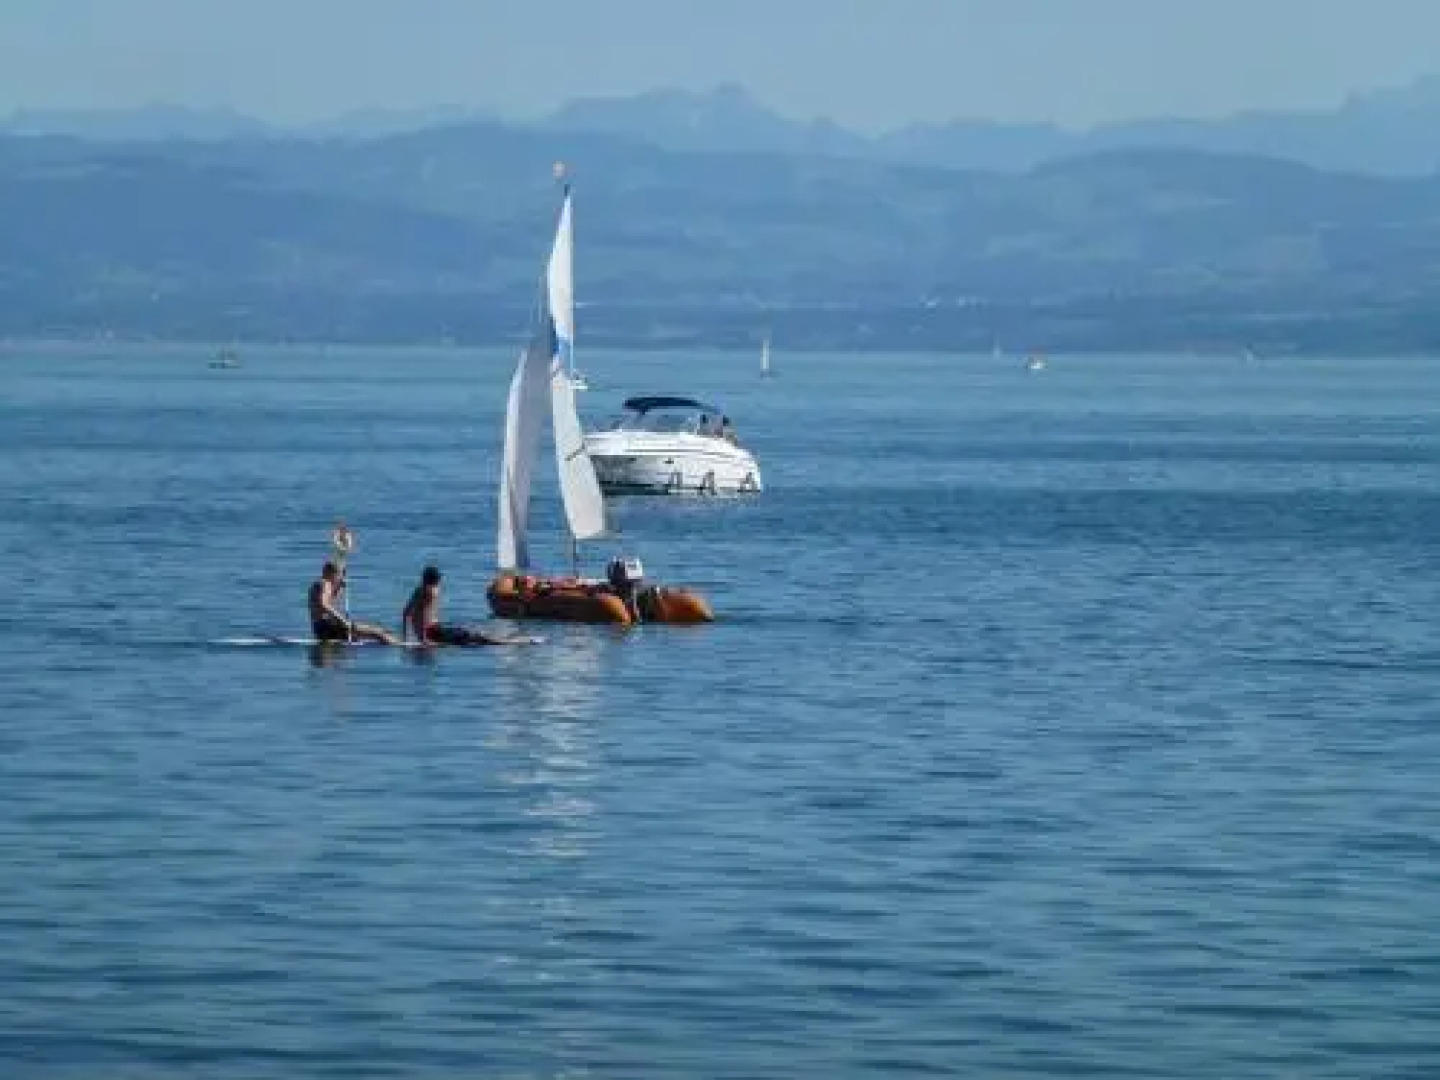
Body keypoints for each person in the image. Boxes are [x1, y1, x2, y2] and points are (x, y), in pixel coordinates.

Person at [402, 565, 521, 646]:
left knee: (468, 632)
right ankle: (506, 643)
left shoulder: (418, 590)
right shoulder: (430, 591)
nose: (440, 583)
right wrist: (424, 640)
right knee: (473, 636)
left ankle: (502, 640)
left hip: (432, 631)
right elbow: (423, 613)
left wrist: (406, 637)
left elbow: (406, 612)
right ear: (435, 580)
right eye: (438, 580)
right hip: (433, 632)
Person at [308, 562, 398, 645]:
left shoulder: (318, 584)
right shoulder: (325, 584)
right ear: (333, 573)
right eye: (339, 575)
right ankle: (399, 646)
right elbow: (324, 604)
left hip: (320, 628)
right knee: (378, 632)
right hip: (329, 627)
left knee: (370, 634)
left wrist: (339, 587)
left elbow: (326, 602)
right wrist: (343, 620)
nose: (340, 577)